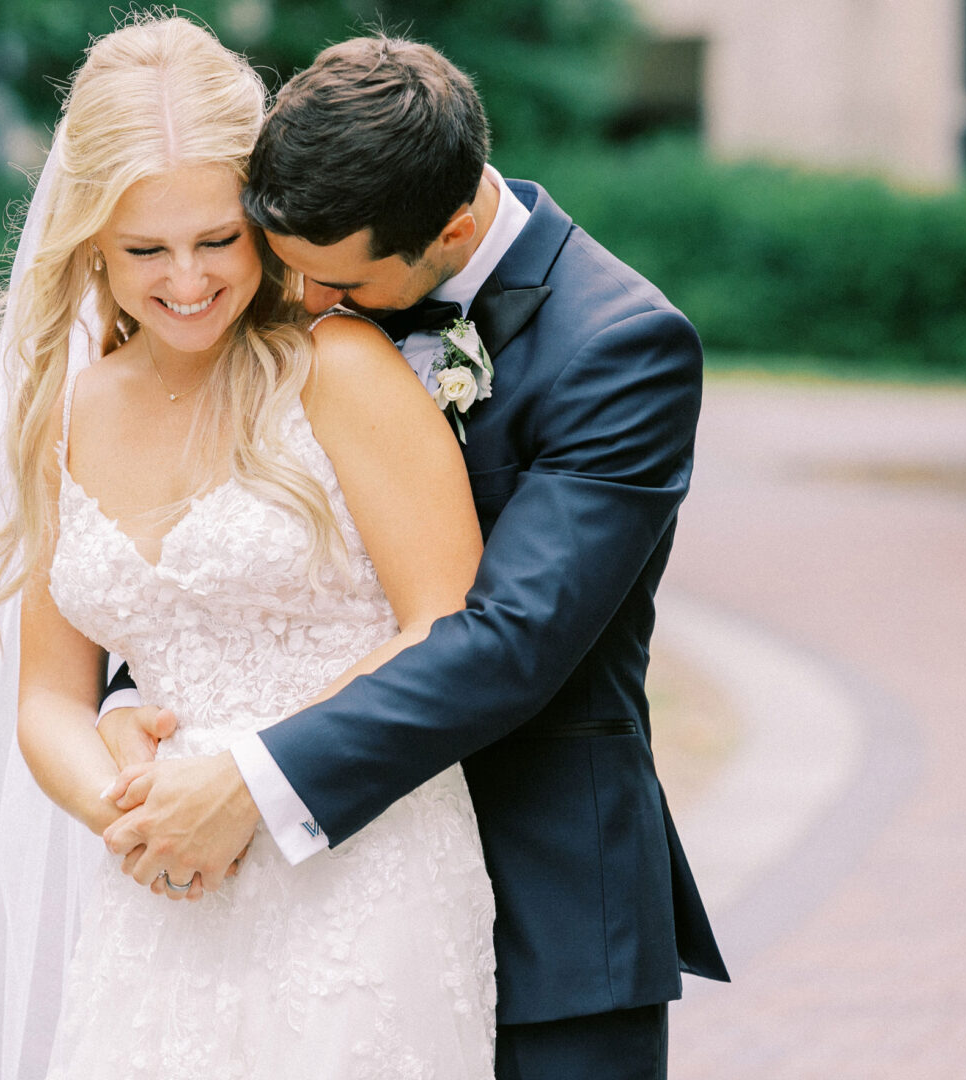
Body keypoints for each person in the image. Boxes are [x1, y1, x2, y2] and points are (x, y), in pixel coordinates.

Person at [100, 34, 730, 1080]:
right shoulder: (310, 278)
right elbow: (229, 541)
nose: (302, 304)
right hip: (315, 908)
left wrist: (251, 784)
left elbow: (512, 639)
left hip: (546, 900)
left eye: (336, 282)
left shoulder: (621, 349)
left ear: (450, 229)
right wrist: (141, 690)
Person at [0, 17, 495, 1079]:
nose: (186, 281)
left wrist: (249, 789)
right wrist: (129, 817)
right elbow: (48, 698)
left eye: (218, 239)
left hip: (361, 877)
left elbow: (446, 626)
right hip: (158, 901)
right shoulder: (64, 413)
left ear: (265, 220)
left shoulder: (338, 369)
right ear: (90, 244)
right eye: (144, 251)